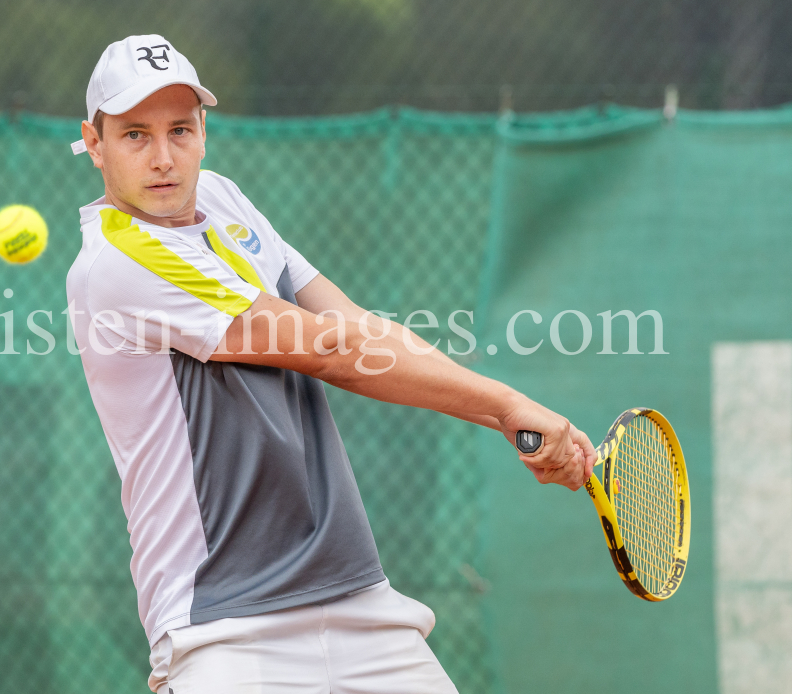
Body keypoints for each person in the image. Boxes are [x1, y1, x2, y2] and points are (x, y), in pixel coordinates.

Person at [66, 34, 596, 694]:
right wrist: (507, 407)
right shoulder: (118, 261)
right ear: (94, 143)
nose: (165, 156)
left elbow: (351, 323)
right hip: (226, 626)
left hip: (358, 600)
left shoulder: (224, 202)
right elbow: (331, 349)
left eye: (180, 129)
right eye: (135, 135)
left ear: (205, 130)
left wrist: (513, 409)